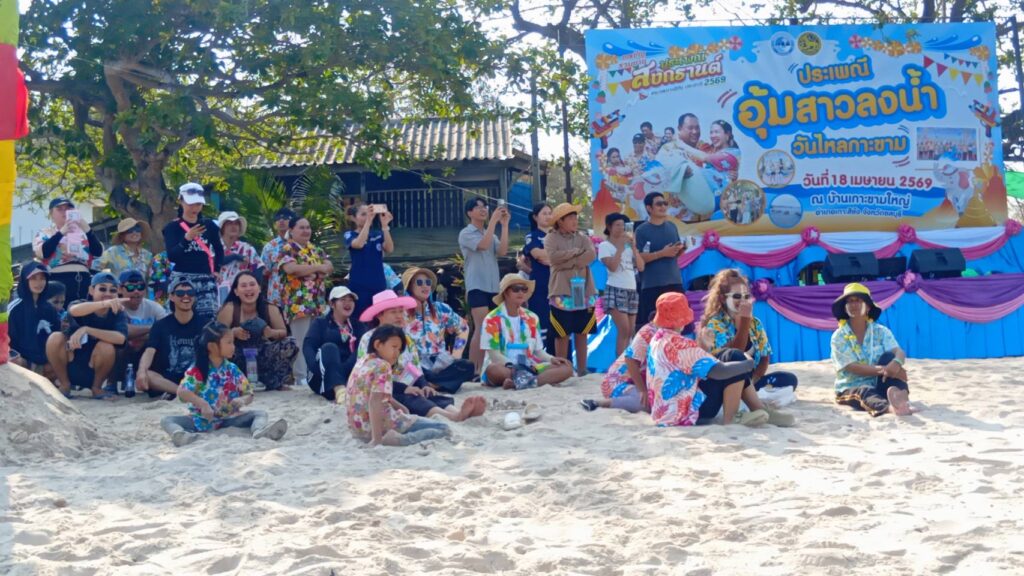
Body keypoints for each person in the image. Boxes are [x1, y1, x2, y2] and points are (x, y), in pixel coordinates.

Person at [644, 293, 775, 427]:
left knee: (729, 357)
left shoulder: (657, 339)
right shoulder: (680, 344)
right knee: (735, 358)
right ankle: (733, 417)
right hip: (686, 412)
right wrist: (748, 364)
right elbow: (718, 371)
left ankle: (758, 408)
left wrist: (703, 346)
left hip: (665, 411)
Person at [357, 290, 486, 421]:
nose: (399, 316)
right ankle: (453, 416)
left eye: (401, 311)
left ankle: (456, 412)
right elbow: (368, 376)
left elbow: (415, 367)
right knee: (413, 399)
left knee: (429, 394)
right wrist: (404, 388)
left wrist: (424, 384)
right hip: (382, 389)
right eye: (393, 312)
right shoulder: (369, 338)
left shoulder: (405, 337)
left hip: (408, 382)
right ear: (379, 315)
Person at [160, 322, 288, 447]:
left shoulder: (232, 369)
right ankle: (181, 436)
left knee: (260, 414)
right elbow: (182, 391)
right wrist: (203, 404)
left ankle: (259, 432)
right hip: (201, 419)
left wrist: (242, 400)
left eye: (233, 342)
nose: (233, 346)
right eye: (229, 342)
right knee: (167, 420)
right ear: (212, 347)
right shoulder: (197, 370)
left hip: (229, 418)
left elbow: (249, 393)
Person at [697, 269, 796, 426]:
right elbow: (733, 356)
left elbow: (764, 357)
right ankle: (754, 407)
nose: (742, 301)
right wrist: (743, 324)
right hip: (724, 382)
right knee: (737, 359)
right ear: (722, 298)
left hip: (749, 381)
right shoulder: (715, 323)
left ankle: (753, 400)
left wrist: (753, 380)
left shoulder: (755, 323)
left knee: (789, 379)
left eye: (746, 296)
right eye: (736, 296)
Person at [346, 325, 453, 447]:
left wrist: (403, 409)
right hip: (382, 426)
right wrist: (377, 440)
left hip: (358, 427)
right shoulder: (383, 366)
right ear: (378, 345)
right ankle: (398, 440)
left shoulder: (363, 362)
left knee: (411, 418)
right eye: (394, 347)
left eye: (399, 350)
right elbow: (375, 401)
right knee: (443, 428)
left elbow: (377, 395)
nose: (397, 353)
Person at [580, 291, 680, 413]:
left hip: (636, 381)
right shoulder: (649, 333)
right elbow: (630, 359)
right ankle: (599, 403)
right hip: (618, 382)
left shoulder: (667, 333)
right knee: (644, 402)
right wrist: (642, 389)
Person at [830, 283, 912, 416]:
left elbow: (898, 351)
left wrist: (896, 363)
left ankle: (902, 400)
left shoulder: (881, 331)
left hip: (879, 384)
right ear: (845, 308)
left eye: (858, 300)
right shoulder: (838, 336)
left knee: (889, 357)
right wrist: (886, 370)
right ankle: (891, 408)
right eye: (850, 301)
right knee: (864, 391)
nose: (853, 304)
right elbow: (852, 367)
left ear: (868, 306)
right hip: (850, 387)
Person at [481, 274, 574, 389]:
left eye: (524, 289)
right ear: (505, 292)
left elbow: (538, 351)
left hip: (529, 367)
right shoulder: (491, 319)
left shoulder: (532, 317)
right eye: (516, 289)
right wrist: (515, 367)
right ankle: (529, 381)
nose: (520, 292)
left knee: (566, 367)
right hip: (506, 367)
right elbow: (494, 355)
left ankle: (523, 382)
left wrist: (551, 359)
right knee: (493, 369)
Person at [45, 272, 128, 399]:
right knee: (55, 338)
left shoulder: (118, 312)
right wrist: (105, 303)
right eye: (102, 289)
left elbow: (121, 338)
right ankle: (65, 385)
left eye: (112, 290)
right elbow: (73, 311)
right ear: (91, 290)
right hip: (70, 363)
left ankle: (97, 388)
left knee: (107, 347)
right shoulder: (80, 303)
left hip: (96, 368)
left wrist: (87, 330)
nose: (108, 293)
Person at [216, 271, 298, 391]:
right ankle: (229, 380)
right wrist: (232, 333)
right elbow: (215, 335)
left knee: (290, 343)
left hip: (263, 355)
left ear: (259, 288)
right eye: (243, 286)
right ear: (236, 291)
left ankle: (275, 381)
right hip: (237, 356)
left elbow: (283, 332)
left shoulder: (270, 308)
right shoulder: (229, 309)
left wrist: (271, 333)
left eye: (252, 284)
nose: (248, 289)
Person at [544, 203, 598, 376]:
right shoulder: (551, 238)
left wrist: (567, 261)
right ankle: (563, 369)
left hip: (585, 290)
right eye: (571, 218)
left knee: (582, 330)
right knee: (562, 332)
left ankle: (582, 369)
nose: (575, 221)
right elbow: (553, 258)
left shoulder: (583, 237)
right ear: (560, 221)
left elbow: (591, 255)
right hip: (561, 290)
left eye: (576, 217)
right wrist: (575, 253)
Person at [402, 267, 474, 394]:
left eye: (428, 282)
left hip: (440, 363)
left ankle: (432, 384)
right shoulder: (401, 313)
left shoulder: (441, 309)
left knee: (467, 366)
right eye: (419, 282)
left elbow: (463, 328)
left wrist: (456, 354)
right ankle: (440, 384)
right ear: (409, 287)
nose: (425, 286)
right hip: (416, 364)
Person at [458, 197, 510, 372]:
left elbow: (502, 251)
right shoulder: (466, 233)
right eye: (478, 207)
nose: (483, 210)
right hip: (476, 285)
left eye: (485, 206)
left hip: (493, 287)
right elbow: (483, 245)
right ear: (469, 213)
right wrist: (494, 221)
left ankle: (493, 367)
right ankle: (474, 370)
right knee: (481, 327)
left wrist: (504, 226)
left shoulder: (491, 234)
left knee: (494, 328)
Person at [279, 216, 333, 385]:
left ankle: (315, 373)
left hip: (317, 302)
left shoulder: (316, 249)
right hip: (298, 302)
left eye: (308, 227)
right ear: (291, 230)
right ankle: (300, 376)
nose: (306, 231)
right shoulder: (287, 249)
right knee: (300, 340)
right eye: (301, 227)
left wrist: (310, 272)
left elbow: (329, 267)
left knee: (316, 339)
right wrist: (317, 268)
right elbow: (291, 268)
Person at [162, 183, 224, 320]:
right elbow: (172, 256)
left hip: (205, 278)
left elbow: (219, 249)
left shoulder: (209, 225)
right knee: (179, 318)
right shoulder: (172, 228)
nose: (194, 208)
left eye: (198, 204)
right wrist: (186, 239)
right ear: (181, 201)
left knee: (208, 319)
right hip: (182, 278)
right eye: (190, 204)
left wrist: (217, 269)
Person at [137, 277, 206, 398]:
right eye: (180, 293)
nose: (186, 296)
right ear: (172, 297)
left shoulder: (205, 324)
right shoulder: (160, 325)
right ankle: (182, 392)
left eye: (190, 292)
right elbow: (149, 351)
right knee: (147, 374)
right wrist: (141, 371)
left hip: (196, 377)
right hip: (168, 379)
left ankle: (182, 393)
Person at [33, 197, 104, 305]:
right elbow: (44, 252)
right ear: (51, 214)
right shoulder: (45, 232)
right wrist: (61, 232)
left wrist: (88, 230)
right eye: (60, 209)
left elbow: (98, 252)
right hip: (58, 280)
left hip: (84, 279)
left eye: (68, 208)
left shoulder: (83, 233)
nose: (65, 212)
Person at [303, 286, 365, 401]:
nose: (348, 303)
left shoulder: (358, 326)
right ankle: (339, 388)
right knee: (329, 348)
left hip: (348, 374)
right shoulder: (320, 323)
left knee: (362, 348)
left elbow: (361, 350)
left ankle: (341, 388)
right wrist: (316, 369)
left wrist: (341, 370)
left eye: (351, 300)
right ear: (332, 304)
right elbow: (308, 347)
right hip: (322, 375)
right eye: (343, 300)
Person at [635, 192, 685, 328]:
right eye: (659, 204)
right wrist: (661, 253)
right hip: (652, 285)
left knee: (679, 325)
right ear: (649, 208)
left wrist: (680, 250)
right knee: (654, 328)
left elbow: (673, 254)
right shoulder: (641, 231)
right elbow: (638, 258)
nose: (663, 207)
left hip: (675, 283)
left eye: (665, 203)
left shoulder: (672, 227)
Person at [599, 212, 645, 356]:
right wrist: (620, 247)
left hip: (631, 290)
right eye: (617, 225)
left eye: (624, 226)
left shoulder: (629, 247)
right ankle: (619, 364)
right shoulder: (605, 245)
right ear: (609, 227)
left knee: (630, 330)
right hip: (615, 288)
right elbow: (612, 267)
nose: (621, 228)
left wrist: (634, 248)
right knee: (624, 329)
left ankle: (626, 362)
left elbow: (641, 267)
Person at [117, 269, 169, 384]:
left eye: (141, 287)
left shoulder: (154, 307)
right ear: (120, 289)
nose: (136, 291)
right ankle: (112, 383)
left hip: (147, 353)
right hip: (123, 355)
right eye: (130, 287)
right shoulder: (116, 306)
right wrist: (153, 329)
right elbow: (122, 331)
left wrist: (137, 335)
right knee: (118, 343)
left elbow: (166, 331)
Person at [8, 262, 61, 373]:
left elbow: (57, 334)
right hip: (23, 362)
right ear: (25, 280)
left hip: (47, 361)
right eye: (33, 278)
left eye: (42, 278)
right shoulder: (15, 309)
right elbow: (10, 340)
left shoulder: (49, 308)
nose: (38, 283)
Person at [344, 203, 394, 319]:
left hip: (378, 285)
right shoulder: (349, 234)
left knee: (379, 319)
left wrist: (385, 226)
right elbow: (359, 244)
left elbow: (389, 249)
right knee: (360, 320)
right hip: (359, 286)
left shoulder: (377, 234)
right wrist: (368, 222)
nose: (368, 216)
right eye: (363, 214)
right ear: (353, 218)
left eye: (369, 214)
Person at [674, 119, 740, 197]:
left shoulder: (733, 152)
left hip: (719, 198)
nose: (712, 136)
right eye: (711, 132)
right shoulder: (710, 150)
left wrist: (681, 145)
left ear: (727, 134)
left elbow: (705, 158)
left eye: (716, 132)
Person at [523, 203, 554, 353]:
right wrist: (560, 257)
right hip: (540, 286)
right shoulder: (532, 236)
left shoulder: (557, 236)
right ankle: (540, 356)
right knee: (541, 322)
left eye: (550, 213)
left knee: (558, 325)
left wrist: (552, 258)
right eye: (544, 213)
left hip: (558, 285)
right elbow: (539, 255)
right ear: (535, 217)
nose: (548, 216)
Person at [217, 211, 264, 293]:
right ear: (222, 227)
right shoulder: (214, 246)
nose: (233, 226)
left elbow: (258, 267)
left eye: (236, 223)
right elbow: (217, 261)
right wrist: (235, 256)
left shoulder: (247, 248)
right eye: (229, 223)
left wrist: (255, 288)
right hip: (216, 291)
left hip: (241, 294)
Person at [261, 207, 297, 309]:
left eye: (285, 218)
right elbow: (264, 272)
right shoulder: (269, 247)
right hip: (275, 297)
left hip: (297, 297)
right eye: (278, 219)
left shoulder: (300, 244)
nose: (281, 221)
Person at [98, 218, 153, 282]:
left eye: (138, 229)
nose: (134, 232)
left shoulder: (148, 255)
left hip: (142, 288)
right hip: (119, 288)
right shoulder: (112, 252)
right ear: (122, 235)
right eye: (130, 230)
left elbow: (152, 277)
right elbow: (96, 269)